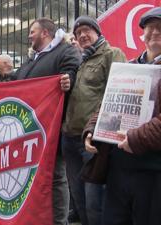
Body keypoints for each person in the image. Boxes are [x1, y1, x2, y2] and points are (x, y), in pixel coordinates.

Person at [84, 7, 161, 225]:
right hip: (118, 167)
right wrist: (92, 130)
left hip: (152, 170)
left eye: (160, 28)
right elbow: (107, 104)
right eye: (149, 28)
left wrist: (136, 138)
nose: (154, 32)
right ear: (142, 35)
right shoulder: (128, 67)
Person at [14, 18, 81, 225]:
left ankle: (59, 222)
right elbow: (16, 83)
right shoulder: (33, 59)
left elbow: (73, 73)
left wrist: (67, 80)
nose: (28, 35)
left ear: (45, 33)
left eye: (32, 31)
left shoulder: (65, 51)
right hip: (30, 129)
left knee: (55, 177)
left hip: (52, 128)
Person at [62, 16, 127, 225]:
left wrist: (94, 128)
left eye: (86, 30)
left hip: (93, 140)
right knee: (79, 200)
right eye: (78, 32)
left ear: (97, 32)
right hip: (70, 138)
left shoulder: (111, 53)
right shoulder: (80, 61)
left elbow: (116, 93)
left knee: (94, 202)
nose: (82, 35)